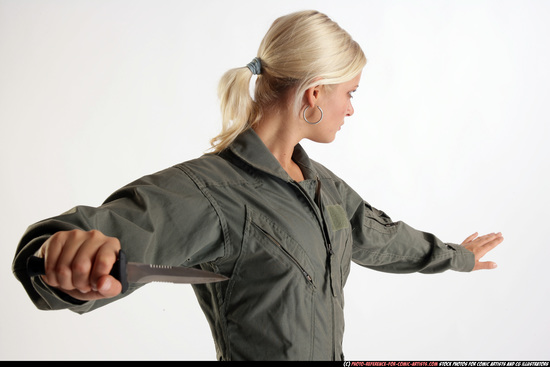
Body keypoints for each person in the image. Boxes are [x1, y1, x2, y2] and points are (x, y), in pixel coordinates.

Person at [12, 10, 503, 361]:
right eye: (349, 93)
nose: (351, 108)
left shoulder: (321, 186)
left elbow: (378, 236)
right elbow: (103, 235)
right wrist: (61, 254)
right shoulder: (213, 193)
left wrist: (456, 256)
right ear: (314, 93)